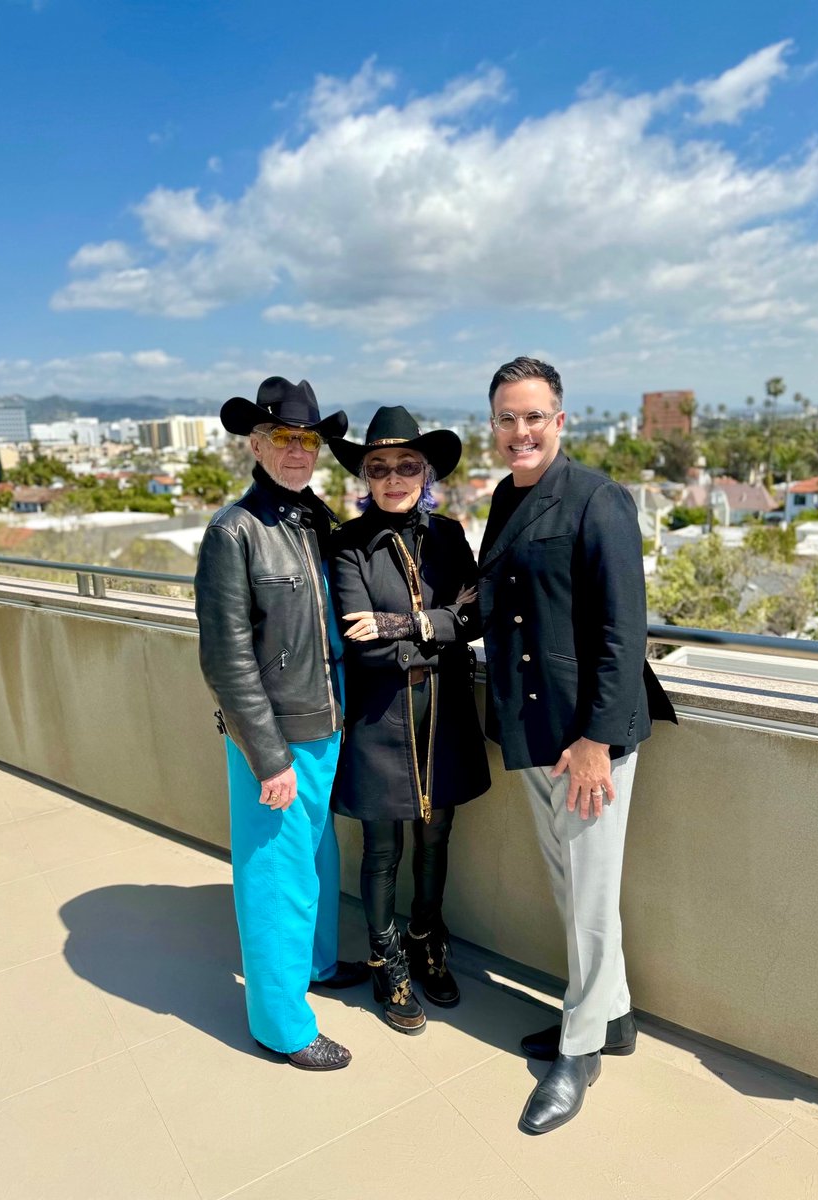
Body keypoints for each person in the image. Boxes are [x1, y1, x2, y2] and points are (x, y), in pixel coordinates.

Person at [478, 357, 676, 1134]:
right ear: (493, 427)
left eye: (534, 417)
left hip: (587, 737)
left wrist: (597, 739)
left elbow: (625, 631)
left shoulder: (598, 499)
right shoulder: (504, 497)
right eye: (506, 418)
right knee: (571, 888)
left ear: (560, 422)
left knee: (589, 896)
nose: (520, 432)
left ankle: (581, 1047)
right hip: (532, 726)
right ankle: (615, 1016)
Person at [195, 376, 369, 1073]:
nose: (299, 451)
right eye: (285, 439)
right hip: (277, 738)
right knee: (275, 878)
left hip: (326, 726)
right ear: (257, 444)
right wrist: (267, 756)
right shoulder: (234, 532)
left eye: (309, 440)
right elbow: (227, 660)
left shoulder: (310, 518)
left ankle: (317, 964)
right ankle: (281, 1026)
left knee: (316, 860)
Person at [329, 406, 490, 1035]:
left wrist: (409, 624)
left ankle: (428, 942)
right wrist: (440, 628)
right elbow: (361, 647)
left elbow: (474, 619)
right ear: (365, 477)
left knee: (436, 840)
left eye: (407, 465)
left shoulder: (449, 535)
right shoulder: (347, 544)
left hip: (441, 715)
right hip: (381, 718)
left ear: (425, 472)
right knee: (383, 850)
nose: (394, 477)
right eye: (379, 467)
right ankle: (387, 961)